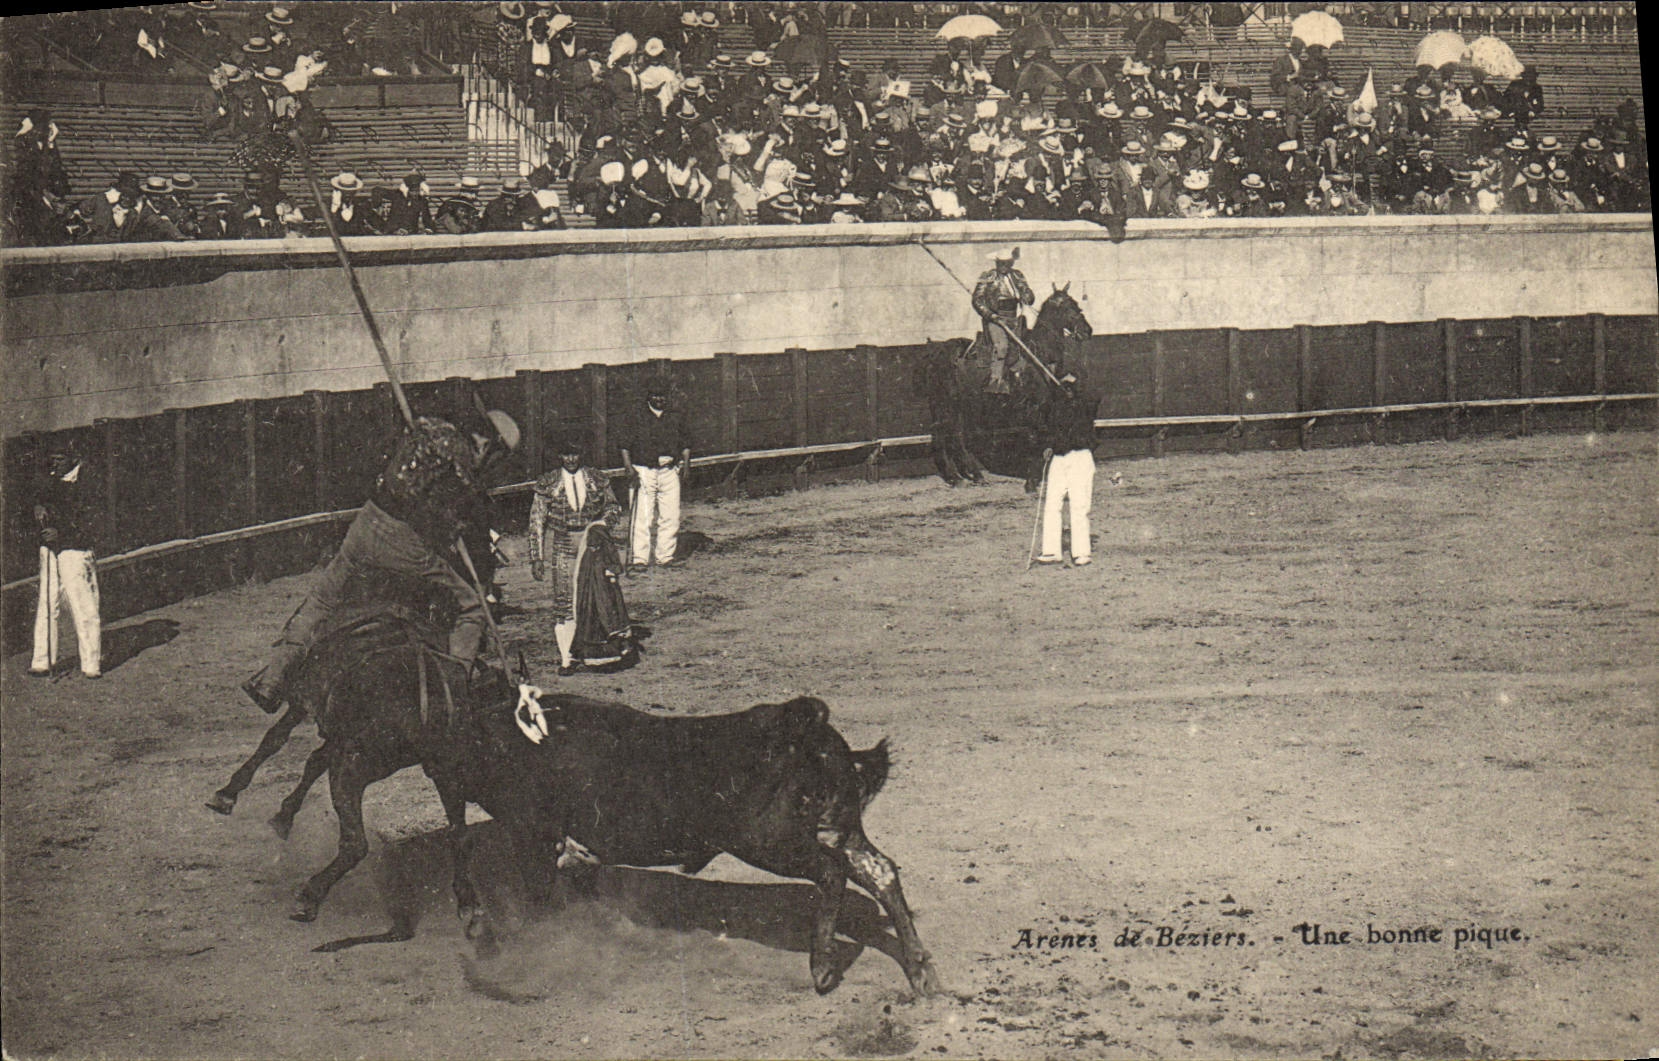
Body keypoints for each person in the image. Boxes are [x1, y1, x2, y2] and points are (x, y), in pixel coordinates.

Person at [241, 407, 520, 712]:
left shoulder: (429, 428)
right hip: (405, 544)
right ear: (487, 444)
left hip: (365, 525)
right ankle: (455, 689)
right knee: (472, 606)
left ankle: (272, 679)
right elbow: (449, 522)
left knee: (322, 600)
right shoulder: (464, 466)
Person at [528, 434, 625, 674]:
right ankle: (566, 658)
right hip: (563, 545)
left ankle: (593, 653)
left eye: (575, 454)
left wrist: (601, 526)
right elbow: (537, 521)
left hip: (591, 546)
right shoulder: (548, 482)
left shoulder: (596, 478)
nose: (570, 459)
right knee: (564, 603)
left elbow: (613, 506)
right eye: (565, 454)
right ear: (559, 456)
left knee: (594, 598)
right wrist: (536, 557)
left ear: (582, 454)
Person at [30, 447, 102, 678]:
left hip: (75, 550)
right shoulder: (51, 479)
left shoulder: (90, 481)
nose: (55, 464)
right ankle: (42, 660)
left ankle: (91, 664)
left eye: (60, 459)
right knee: (47, 604)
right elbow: (37, 497)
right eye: (53, 459)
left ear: (74, 458)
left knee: (83, 607)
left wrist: (61, 533)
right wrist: (38, 505)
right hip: (50, 549)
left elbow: (91, 519)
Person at [620, 387, 691, 572]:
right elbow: (624, 446)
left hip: (669, 470)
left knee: (670, 515)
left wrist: (686, 465)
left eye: (663, 395)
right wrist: (629, 469)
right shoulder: (637, 417)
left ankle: (665, 556)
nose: (659, 399)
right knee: (642, 516)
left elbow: (685, 444)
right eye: (655, 395)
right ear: (649, 396)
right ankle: (639, 559)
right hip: (644, 470)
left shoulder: (675, 416)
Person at [1033, 372, 1098, 567]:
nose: (1068, 390)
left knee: (1079, 505)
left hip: (1080, 456)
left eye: (1071, 387)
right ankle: (1052, 551)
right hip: (1059, 458)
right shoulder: (1054, 405)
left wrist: (1075, 384)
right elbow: (1044, 421)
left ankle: (1081, 553)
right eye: (1064, 386)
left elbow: (1094, 398)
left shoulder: (1085, 402)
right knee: (1052, 504)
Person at [972, 246, 1035, 395]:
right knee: (1002, 346)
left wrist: (1026, 295)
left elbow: (1029, 297)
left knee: (1025, 347)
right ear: (997, 263)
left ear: (1011, 263)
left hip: (1014, 317)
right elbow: (977, 300)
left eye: (1007, 263)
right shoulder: (988, 276)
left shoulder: (1017, 276)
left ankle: (1017, 376)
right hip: (996, 319)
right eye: (1001, 263)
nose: (1004, 266)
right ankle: (995, 381)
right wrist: (990, 315)